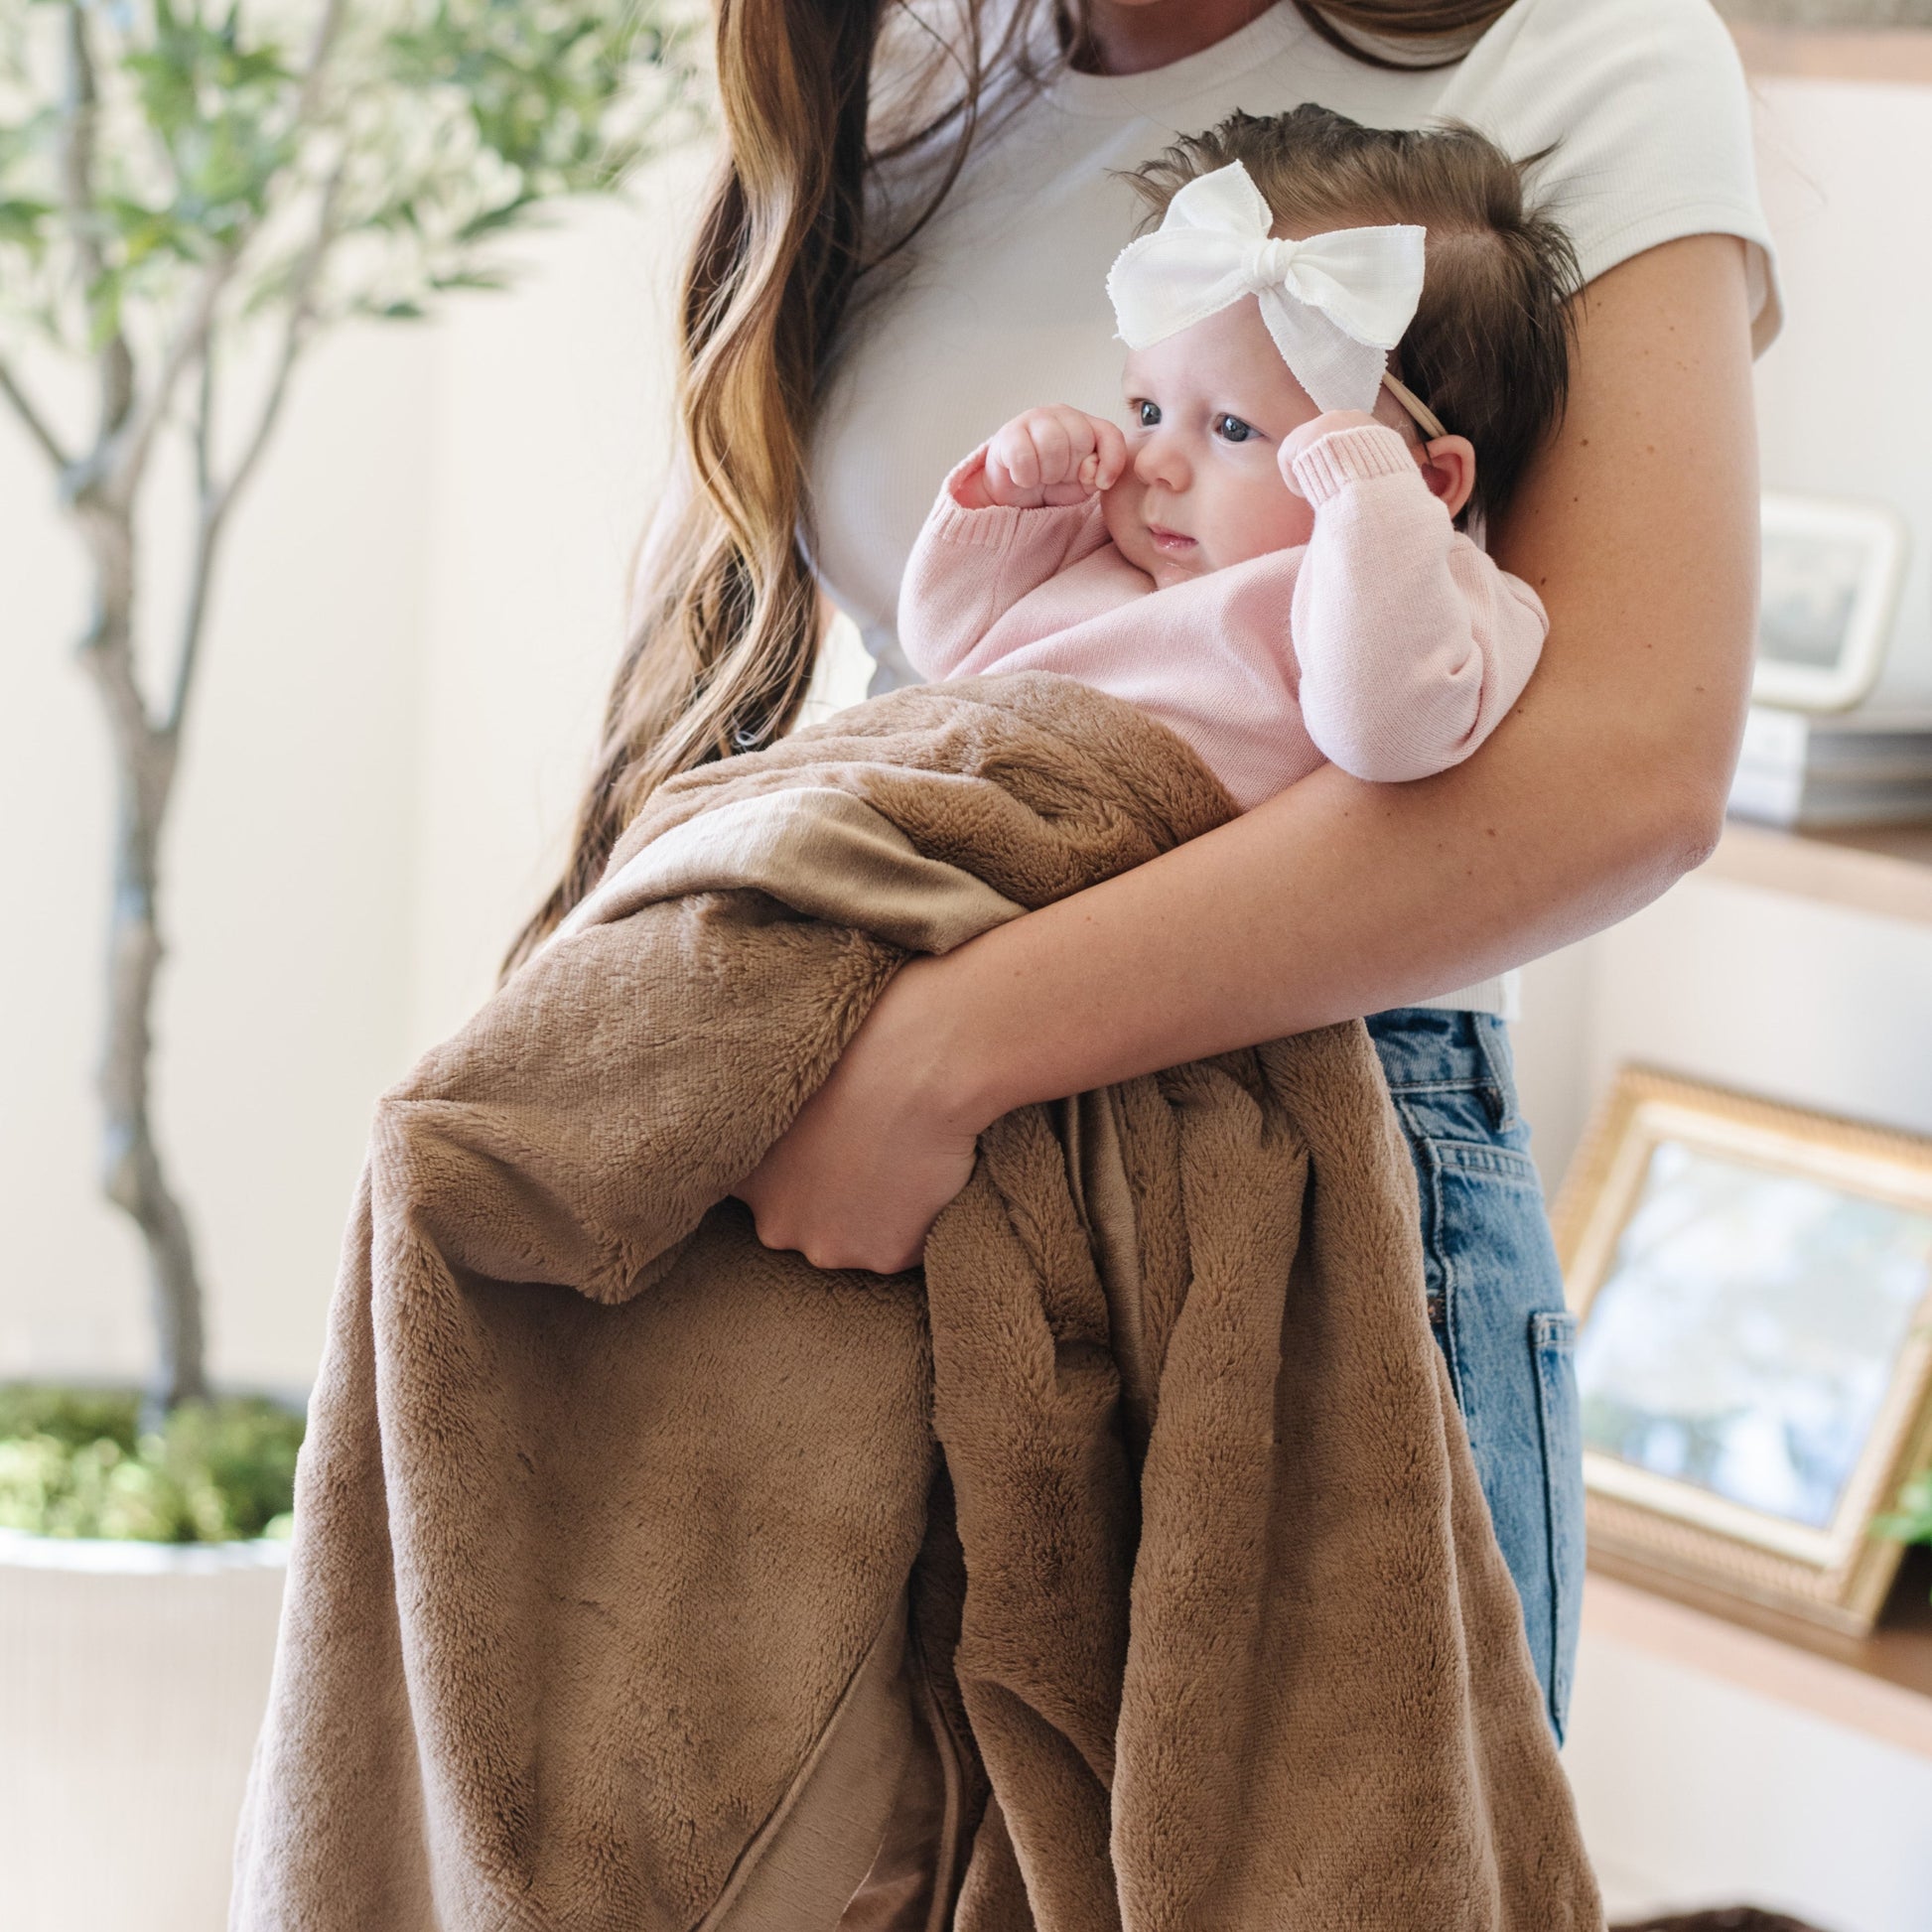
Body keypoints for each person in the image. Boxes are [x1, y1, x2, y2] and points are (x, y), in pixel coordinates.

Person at [512, 0, 1778, 1741]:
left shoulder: (1584, 58)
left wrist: (945, 1056)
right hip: (891, 1167)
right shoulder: (911, 84)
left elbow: (1616, 773)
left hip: (1291, 1127)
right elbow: (947, 654)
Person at [900, 110, 1572, 809]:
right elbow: (944, 645)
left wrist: (1374, 515)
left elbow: (1382, 740)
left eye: (1232, 428)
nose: (1158, 463)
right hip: (921, 768)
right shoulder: (1095, 538)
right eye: (1148, 412)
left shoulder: (1433, 605)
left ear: (1424, 485)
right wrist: (1017, 499)